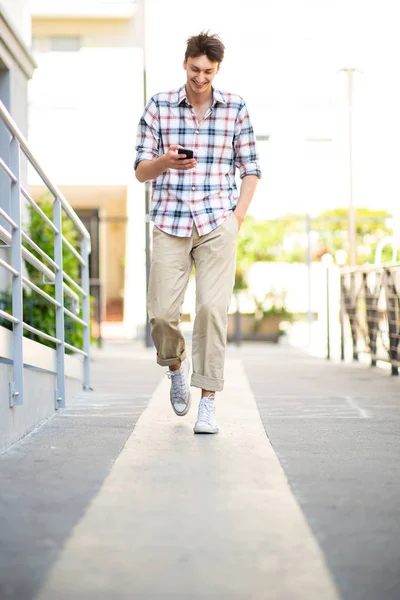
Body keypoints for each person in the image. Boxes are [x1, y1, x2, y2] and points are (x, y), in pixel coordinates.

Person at [134, 31, 261, 434]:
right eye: (194, 69)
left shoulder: (236, 108)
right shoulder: (158, 106)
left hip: (216, 221)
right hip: (170, 221)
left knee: (210, 310)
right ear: (184, 63)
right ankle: (175, 366)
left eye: (208, 71)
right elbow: (140, 171)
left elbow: (251, 168)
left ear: (217, 69)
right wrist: (165, 162)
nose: (200, 77)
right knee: (160, 316)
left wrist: (237, 216)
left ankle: (207, 400)